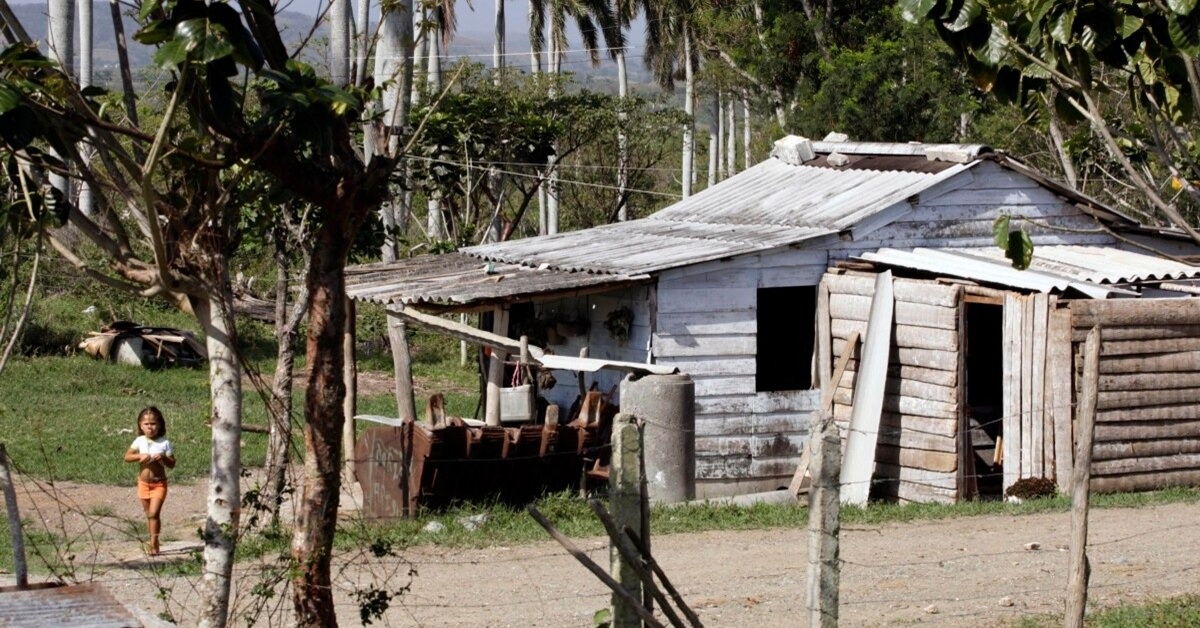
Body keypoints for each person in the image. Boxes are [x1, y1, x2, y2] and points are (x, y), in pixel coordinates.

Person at [123, 406, 175, 555]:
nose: (150, 427)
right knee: (149, 515)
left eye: (153, 424)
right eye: (146, 424)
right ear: (140, 425)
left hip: (159, 483)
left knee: (154, 513)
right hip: (143, 484)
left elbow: (172, 464)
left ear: (159, 425)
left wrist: (164, 457)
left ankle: (154, 544)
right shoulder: (139, 441)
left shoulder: (164, 443)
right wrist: (140, 456)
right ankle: (153, 539)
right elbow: (127, 457)